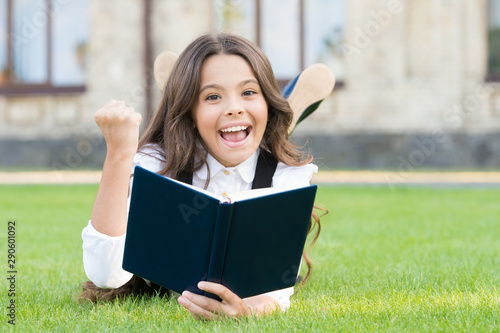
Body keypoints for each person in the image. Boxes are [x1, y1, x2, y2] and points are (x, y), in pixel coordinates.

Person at [81, 32, 325, 320]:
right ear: (189, 112)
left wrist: (249, 311)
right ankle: (250, 115)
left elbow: (277, 290)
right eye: (212, 96)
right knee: (240, 127)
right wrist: (119, 154)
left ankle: (279, 116)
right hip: (194, 143)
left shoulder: (288, 177)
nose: (234, 106)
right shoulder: (157, 163)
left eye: (249, 92)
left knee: (266, 144)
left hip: (256, 143)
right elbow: (105, 275)